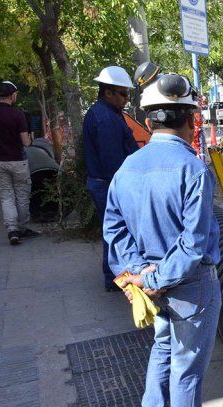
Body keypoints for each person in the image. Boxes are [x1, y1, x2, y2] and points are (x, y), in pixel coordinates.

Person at [105, 72, 220, 407]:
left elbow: (113, 229)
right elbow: (192, 244)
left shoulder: (127, 167)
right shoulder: (193, 169)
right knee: (187, 366)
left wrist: (140, 273)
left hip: (148, 279)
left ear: (150, 120)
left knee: (162, 347)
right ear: (190, 119)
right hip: (190, 285)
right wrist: (156, 278)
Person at [83, 66, 138, 292]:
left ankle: (114, 276)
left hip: (104, 183)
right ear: (108, 93)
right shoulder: (105, 118)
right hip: (108, 185)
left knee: (113, 230)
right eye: (123, 94)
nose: (126, 99)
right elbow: (113, 161)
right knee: (118, 231)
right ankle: (116, 278)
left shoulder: (105, 113)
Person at [0, 81, 40, 245]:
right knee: (21, 196)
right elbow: (26, 142)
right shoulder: (18, 114)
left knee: (6, 196)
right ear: (12, 95)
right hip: (17, 161)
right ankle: (22, 229)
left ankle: (12, 230)